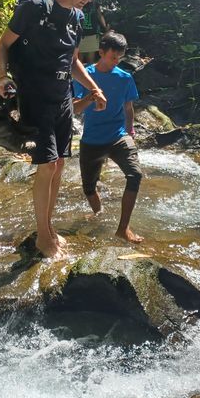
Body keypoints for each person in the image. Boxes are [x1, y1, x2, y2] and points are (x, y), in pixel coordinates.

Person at [0, 0, 107, 259]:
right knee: (46, 166)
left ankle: (48, 226)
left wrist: (93, 87)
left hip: (63, 99)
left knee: (58, 165)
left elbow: (72, 62)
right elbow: (3, 44)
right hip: (35, 96)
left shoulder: (78, 17)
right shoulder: (33, 7)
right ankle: (43, 237)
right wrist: (2, 77)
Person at [72, 31, 144, 243]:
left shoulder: (125, 78)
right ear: (101, 52)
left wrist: (130, 132)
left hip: (118, 136)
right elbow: (75, 109)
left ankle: (123, 228)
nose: (116, 62)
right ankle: (98, 213)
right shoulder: (85, 75)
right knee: (89, 188)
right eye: (112, 57)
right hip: (92, 139)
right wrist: (91, 96)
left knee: (135, 175)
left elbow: (128, 108)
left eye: (119, 58)